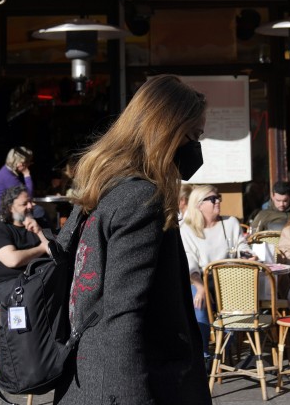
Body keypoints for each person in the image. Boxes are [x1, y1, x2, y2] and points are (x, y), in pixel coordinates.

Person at [54, 74, 211, 404]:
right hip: (131, 383)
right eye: (193, 135)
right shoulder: (141, 199)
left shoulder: (102, 191)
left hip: (85, 376)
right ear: (166, 131)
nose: (197, 147)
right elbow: (122, 313)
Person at [182, 184, 255, 348]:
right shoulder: (187, 229)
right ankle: (204, 355)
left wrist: (248, 255)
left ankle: (226, 350)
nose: (218, 202)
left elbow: (241, 246)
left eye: (218, 197)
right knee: (198, 302)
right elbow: (190, 263)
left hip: (228, 279)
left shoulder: (230, 223)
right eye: (212, 199)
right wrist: (200, 287)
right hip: (200, 278)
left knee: (238, 299)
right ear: (199, 205)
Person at [0, 187, 50, 310]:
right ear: (10, 208)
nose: (30, 206)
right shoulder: (1, 231)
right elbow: (13, 260)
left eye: (31, 202)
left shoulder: (41, 225)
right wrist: (41, 248)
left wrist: (39, 232)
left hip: (41, 280)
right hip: (12, 284)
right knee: (34, 296)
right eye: (24, 204)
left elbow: (55, 251)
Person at [0, 147, 35, 212]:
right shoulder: (8, 176)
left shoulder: (7, 171)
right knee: (38, 211)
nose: (29, 165)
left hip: (3, 208)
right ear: (21, 164)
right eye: (28, 162)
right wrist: (27, 175)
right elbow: (27, 196)